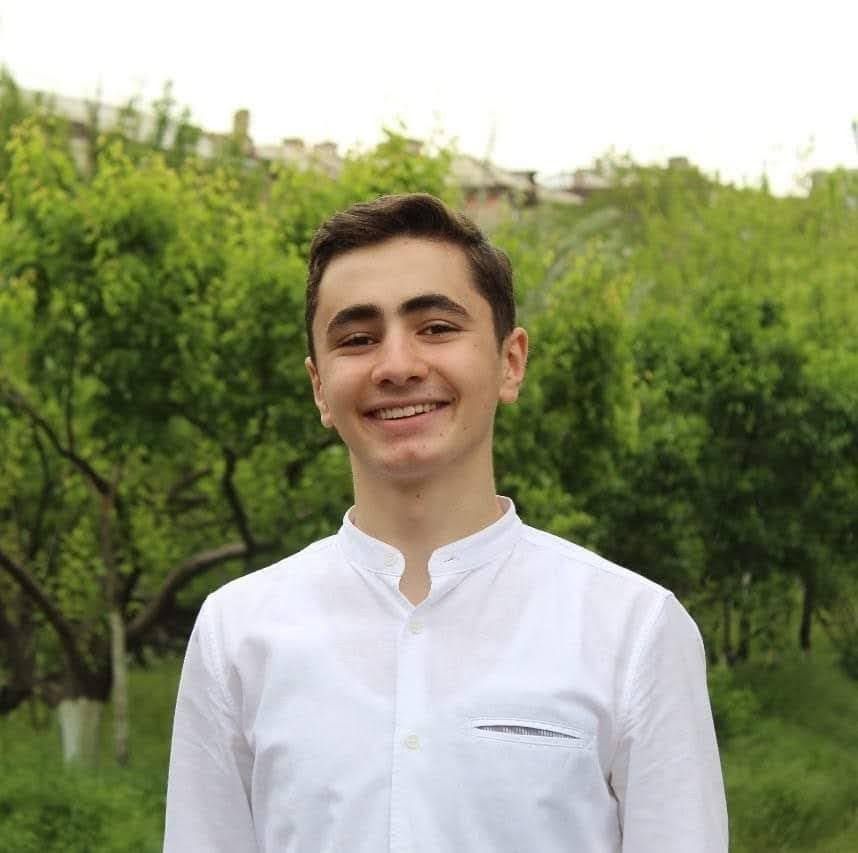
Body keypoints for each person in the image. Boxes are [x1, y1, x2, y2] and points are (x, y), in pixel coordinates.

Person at [164, 193, 728, 852]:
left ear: (510, 362)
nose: (397, 366)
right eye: (357, 338)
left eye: (435, 327)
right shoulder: (237, 633)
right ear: (320, 387)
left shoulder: (633, 630)